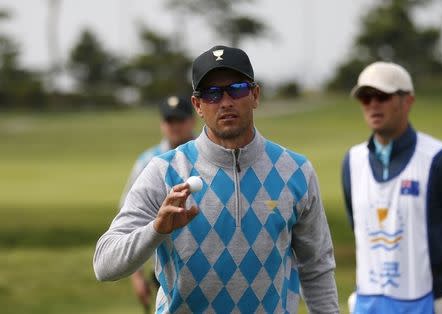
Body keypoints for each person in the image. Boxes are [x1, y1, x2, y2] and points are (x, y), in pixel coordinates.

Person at [94, 45, 338, 313]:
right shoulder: (164, 170)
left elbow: (317, 268)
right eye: (212, 94)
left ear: (255, 95)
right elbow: (104, 264)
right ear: (197, 105)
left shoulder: (296, 171)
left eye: (237, 89)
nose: (226, 102)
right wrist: (156, 230)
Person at [342, 61, 442, 313]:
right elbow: (358, 227)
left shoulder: (439, 159)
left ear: (408, 101)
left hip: (434, 301)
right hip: (370, 302)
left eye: (382, 96)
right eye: (365, 98)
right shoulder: (353, 160)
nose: (373, 104)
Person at [119, 95, 196, 311]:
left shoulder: (209, 154)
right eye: (169, 121)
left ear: (192, 120)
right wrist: (136, 276)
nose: (174, 126)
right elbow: (131, 220)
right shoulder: (148, 161)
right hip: (163, 263)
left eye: (179, 120)